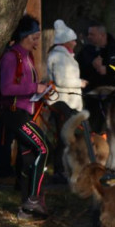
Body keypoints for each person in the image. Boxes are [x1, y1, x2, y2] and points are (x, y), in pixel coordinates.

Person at [0, 14, 52, 219]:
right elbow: (6, 88)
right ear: (23, 36)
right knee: (43, 147)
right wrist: (35, 88)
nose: (37, 41)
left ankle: (28, 205)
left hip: (24, 112)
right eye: (34, 37)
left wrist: (41, 92)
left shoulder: (27, 57)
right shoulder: (11, 57)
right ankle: (33, 200)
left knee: (29, 155)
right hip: (13, 114)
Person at [46, 19, 86, 183]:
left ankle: (64, 169)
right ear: (65, 41)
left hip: (69, 102)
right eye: (73, 40)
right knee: (64, 137)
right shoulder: (60, 57)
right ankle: (60, 170)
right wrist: (80, 83)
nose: (76, 43)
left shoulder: (63, 56)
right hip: (64, 103)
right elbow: (62, 81)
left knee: (66, 137)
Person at [77, 21, 115, 92]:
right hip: (93, 93)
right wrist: (92, 65)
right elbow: (78, 70)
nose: (89, 37)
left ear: (102, 35)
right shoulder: (85, 51)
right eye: (88, 34)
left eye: (92, 35)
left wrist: (107, 70)